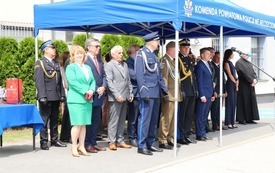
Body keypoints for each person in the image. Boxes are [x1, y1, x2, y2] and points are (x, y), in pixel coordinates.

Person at [135, 32, 168, 155]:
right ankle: (141, 145)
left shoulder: (154, 55)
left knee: (154, 120)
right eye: (157, 41)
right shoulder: (141, 54)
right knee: (145, 119)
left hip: (156, 91)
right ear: (151, 42)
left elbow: (158, 75)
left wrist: (164, 90)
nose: (158, 43)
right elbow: (139, 75)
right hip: (147, 92)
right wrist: (143, 92)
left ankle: (150, 143)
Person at [34, 40, 67, 150]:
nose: (54, 50)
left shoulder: (56, 63)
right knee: (44, 119)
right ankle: (43, 141)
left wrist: (62, 94)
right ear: (46, 50)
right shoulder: (41, 63)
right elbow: (39, 81)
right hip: (46, 96)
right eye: (52, 48)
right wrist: (42, 96)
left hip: (56, 96)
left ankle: (54, 139)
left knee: (54, 119)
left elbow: (60, 81)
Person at [66, 45, 96, 157]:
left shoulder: (87, 67)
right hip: (76, 99)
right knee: (77, 124)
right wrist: (85, 91)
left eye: (81, 53)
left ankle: (82, 146)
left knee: (84, 124)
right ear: (73, 56)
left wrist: (92, 90)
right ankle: (74, 146)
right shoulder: (71, 67)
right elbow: (73, 82)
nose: (79, 55)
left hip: (88, 99)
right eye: (77, 53)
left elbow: (92, 80)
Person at [105, 45, 133, 150]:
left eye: (122, 53)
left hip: (125, 96)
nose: (122, 55)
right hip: (115, 97)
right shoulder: (109, 65)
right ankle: (111, 141)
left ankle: (120, 140)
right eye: (119, 53)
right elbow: (109, 82)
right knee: (114, 120)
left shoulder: (125, 65)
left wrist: (130, 93)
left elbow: (128, 80)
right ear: (113, 54)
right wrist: (117, 95)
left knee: (122, 120)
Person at [158, 41, 182, 150]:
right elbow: (164, 78)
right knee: (166, 118)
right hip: (169, 94)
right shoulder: (164, 61)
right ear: (171, 50)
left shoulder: (173, 61)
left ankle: (169, 138)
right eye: (177, 50)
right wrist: (165, 93)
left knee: (173, 119)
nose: (178, 52)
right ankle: (162, 139)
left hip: (175, 94)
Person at [84, 38, 107, 153]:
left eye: (99, 46)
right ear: (89, 47)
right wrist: (94, 88)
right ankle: (87, 143)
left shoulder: (99, 60)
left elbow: (103, 75)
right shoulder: (84, 60)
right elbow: (85, 78)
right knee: (88, 120)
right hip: (90, 94)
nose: (98, 48)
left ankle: (93, 142)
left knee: (96, 120)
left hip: (99, 94)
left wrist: (103, 86)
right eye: (96, 46)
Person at [178, 38, 197, 145]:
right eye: (184, 47)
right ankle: (181, 136)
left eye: (188, 47)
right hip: (184, 90)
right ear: (180, 48)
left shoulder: (190, 59)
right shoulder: (178, 59)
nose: (186, 49)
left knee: (189, 115)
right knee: (183, 115)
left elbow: (193, 77)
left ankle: (187, 134)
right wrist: (181, 90)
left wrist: (196, 89)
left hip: (191, 90)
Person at [195, 47, 215, 141]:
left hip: (209, 93)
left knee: (205, 115)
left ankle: (203, 132)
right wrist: (201, 94)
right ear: (202, 55)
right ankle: (199, 134)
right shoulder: (200, 65)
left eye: (209, 54)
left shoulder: (208, 64)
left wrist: (212, 93)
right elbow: (199, 81)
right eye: (207, 54)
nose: (209, 56)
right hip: (203, 94)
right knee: (200, 114)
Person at [235, 53, 260, 124]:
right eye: (245, 54)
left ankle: (250, 118)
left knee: (250, 101)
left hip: (251, 85)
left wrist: (255, 79)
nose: (247, 56)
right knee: (243, 101)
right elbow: (242, 73)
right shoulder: (239, 62)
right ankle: (241, 119)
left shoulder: (249, 63)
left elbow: (253, 73)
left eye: (247, 55)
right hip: (244, 85)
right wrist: (251, 80)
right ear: (242, 55)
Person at [125, 44, 140, 147]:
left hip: (140, 92)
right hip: (134, 93)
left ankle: (138, 135)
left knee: (140, 116)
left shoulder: (138, 61)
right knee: (133, 116)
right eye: (138, 51)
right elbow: (133, 75)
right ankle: (132, 137)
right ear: (133, 52)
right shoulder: (128, 62)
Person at [211, 51, 228, 131]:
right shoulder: (212, 66)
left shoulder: (220, 66)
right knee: (215, 109)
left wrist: (225, 90)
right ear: (214, 57)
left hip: (221, 90)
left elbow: (223, 79)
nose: (218, 59)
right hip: (216, 91)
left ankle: (219, 123)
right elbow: (213, 80)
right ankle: (215, 124)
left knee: (219, 108)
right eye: (217, 57)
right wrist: (214, 91)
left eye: (220, 58)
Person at [223, 49, 238, 129]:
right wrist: (235, 82)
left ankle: (233, 121)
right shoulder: (226, 63)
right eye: (232, 54)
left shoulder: (231, 63)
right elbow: (229, 75)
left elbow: (235, 74)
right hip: (229, 84)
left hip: (234, 83)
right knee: (229, 103)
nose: (233, 55)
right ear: (229, 54)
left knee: (233, 103)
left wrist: (237, 82)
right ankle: (228, 122)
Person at [59, 51, 72, 143]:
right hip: (69, 91)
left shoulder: (67, 62)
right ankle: (66, 135)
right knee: (68, 115)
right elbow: (66, 80)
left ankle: (65, 135)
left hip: (68, 91)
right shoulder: (69, 62)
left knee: (68, 115)